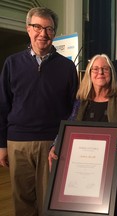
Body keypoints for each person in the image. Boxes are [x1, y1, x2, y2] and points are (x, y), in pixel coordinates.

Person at [0, 7, 78, 216]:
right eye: (37, 27)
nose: (43, 33)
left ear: (54, 33)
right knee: (22, 201)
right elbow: (3, 106)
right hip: (17, 143)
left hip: (51, 145)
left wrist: (63, 142)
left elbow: (74, 108)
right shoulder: (11, 63)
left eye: (49, 29)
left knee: (49, 202)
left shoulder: (67, 67)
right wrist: (1, 145)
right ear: (28, 29)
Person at [48, 53, 117, 216]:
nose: (100, 72)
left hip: (114, 174)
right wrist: (56, 144)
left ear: (111, 73)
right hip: (86, 171)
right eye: (95, 69)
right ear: (89, 74)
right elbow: (70, 126)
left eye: (105, 69)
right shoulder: (81, 101)